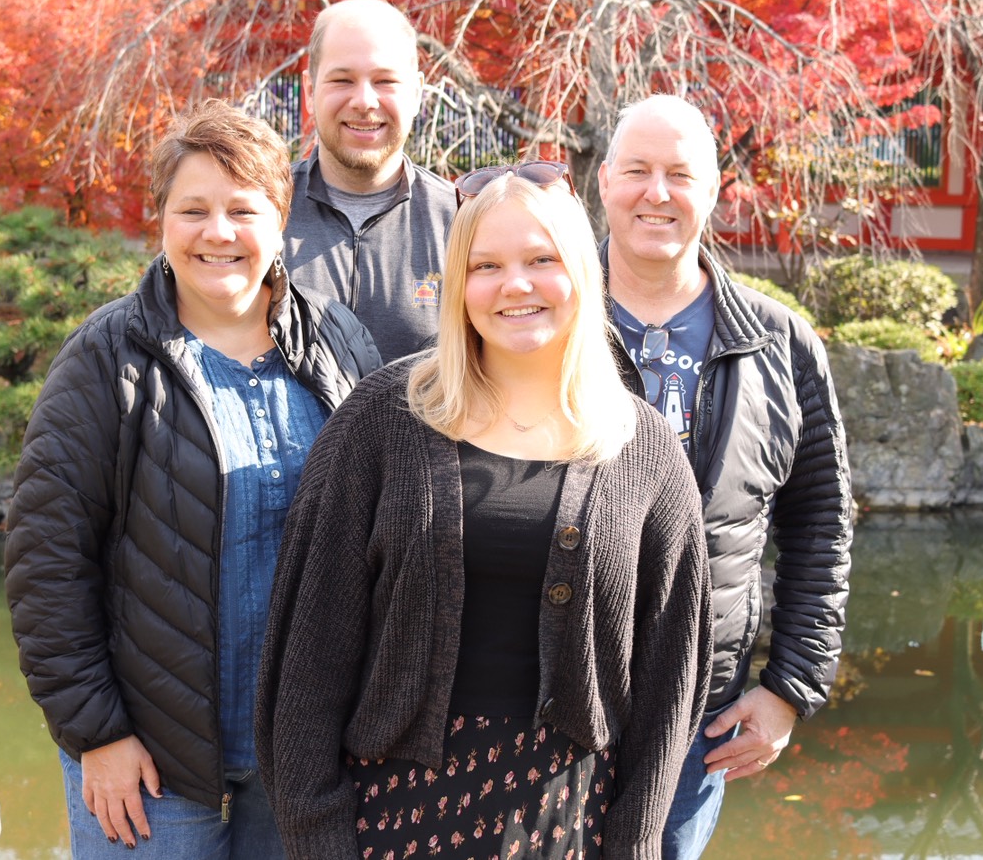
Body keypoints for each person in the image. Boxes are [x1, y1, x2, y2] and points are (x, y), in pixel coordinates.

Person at [257, 166, 712, 860]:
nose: (515, 284)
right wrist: (317, 832)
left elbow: (670, 678)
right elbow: (308, 649)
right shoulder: (382, 420)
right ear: (456, 285)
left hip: (568, 821)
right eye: (486, 265)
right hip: (392, 818)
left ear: (581, 275)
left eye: (540, 260)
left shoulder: (643, 449)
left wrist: (636, 838)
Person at [5, 100, 381, 857]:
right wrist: (96, 732)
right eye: (193, 209)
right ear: (162, 221)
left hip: (304, 754)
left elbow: (386, 539)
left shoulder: (340, 343)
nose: (218, 232)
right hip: (150, 761)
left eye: (242, 209)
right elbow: (45, 560)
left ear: (281, 219)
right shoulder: (106, 357)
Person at [596, 95, 854, 859]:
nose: (656, 192)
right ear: (603, 180)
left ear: (713, 191)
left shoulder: (779, 343)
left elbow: (820, 520)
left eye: (680, 174)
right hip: (546, 704)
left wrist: (788, 689)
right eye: (637, 170)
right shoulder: (545, 321)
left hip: (695, 715)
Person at [284, 0, 457, 362]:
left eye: (385, 80)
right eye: (342, 80)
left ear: (416, 92)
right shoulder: (261, 213)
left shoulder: (459, 222)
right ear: (310, 89)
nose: (364, 101)